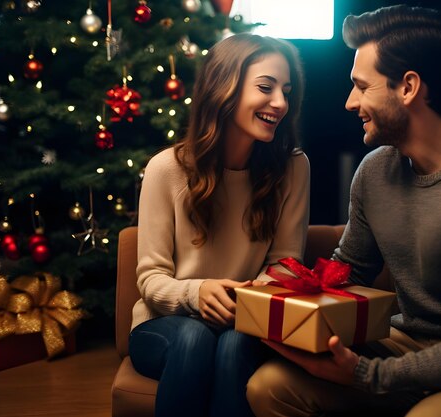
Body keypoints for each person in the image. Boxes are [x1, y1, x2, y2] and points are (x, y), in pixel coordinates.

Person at [247, 5, 441, 417]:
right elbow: (350, 271)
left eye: (361, 86)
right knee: (268, 388)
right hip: (408, 342)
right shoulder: (375, 171)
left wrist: (370, 375)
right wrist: (282, 300)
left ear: (409, 87)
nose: (349, 102)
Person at [128, 33, 309, 417]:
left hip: (247, 321)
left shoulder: (293, 167)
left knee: (234, 341)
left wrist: (251, 296)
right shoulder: (167, 169)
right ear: (223, 87)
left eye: (286, 91)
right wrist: (198, 293)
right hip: (165, 325)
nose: (280, 102)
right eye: (266, 86)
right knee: (194, 337)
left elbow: (286, 262)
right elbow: (150, 278)